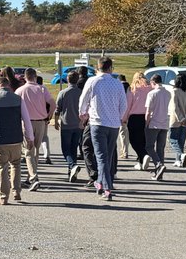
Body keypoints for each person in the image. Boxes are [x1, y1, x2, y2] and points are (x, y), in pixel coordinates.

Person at [0, 69, 34, 204]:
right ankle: (16, 191)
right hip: (16, 139)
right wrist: (30, 138)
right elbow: (26, 120)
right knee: (15, 165)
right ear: (9, 86)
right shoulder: (18, 99)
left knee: (2, 167)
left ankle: (4, 196)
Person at [78, 57, 127, 200]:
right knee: (108, 156)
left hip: (98, 123)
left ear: (97, 67)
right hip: (113, 124)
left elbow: (83, 100)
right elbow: (123, 105)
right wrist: (118, 117)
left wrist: (83, 115)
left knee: (101, 157)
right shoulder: (117, 83)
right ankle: (100, 182)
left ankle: (107, 187)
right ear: (111, 67)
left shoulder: (93, 81)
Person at [16, 68, 52, 192]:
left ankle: (33, 177)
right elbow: (53, 103)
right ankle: (30, 177)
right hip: (41, 122)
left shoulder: (20, 90)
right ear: (35, 76)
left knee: (28, 151)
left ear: (25, 77)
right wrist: (49, 115)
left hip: (27, 122)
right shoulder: (42, 89)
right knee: (35, 150)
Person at [54, 69, 83, 182]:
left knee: (65, 149)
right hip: (78, 124)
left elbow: (57, 109)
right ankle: (71, 171)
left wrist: (56, 121)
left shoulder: (63, 93)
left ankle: (72, 165)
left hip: (66, 124)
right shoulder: (81, 92)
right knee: (73, 148)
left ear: (67, 79)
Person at [144, 74, 171, 180]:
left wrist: (146, 123)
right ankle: (159, 173)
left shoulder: (152, 94)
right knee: (160, 148)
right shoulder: (168, 93)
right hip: (164, 123)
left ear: (153, 82)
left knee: (149, 146)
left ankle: (158, 164)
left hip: (154, 122)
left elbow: (148, 111)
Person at [123, 72, 151, 169]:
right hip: (146, 116)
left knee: (133, 140)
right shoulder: (150, 88)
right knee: (143, 140)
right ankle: (141, 161)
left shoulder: (132, 89)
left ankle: (143, 155)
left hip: (134, 117)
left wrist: (124, 118)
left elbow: (127, 106)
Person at [168, 73, 186, 166]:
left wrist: (181, 118)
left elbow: (175, 107)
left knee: (172, 139)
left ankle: (181, 155)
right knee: (181, 141)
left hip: (176, 120)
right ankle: (178, 160)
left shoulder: (174, 91)